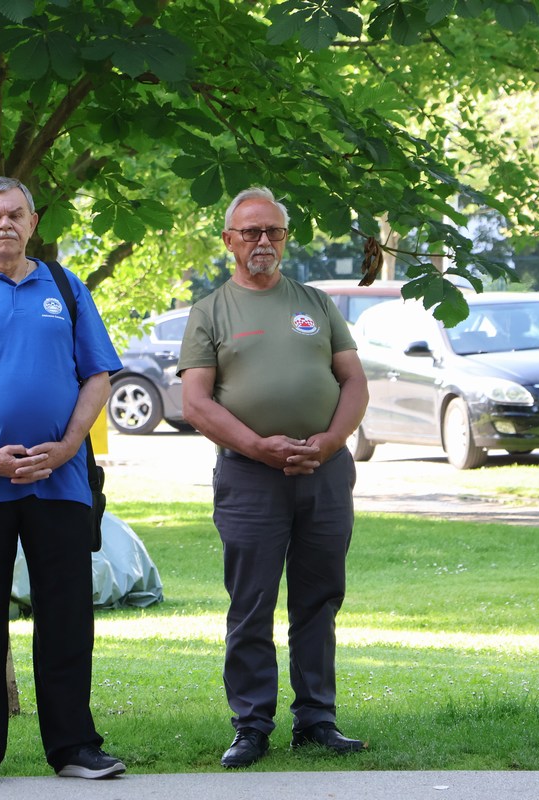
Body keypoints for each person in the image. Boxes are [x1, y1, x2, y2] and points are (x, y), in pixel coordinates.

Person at [0, 176, 126, 787]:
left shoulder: (67, 287)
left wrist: (68, 446)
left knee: (67, 617)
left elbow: (97, 377)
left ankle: (74, 746)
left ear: (33, 223)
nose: (4, 224)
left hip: (60, 483)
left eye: (15, 215)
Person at [177, 187, 370, 768]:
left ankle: (317, 720)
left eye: (274, 231)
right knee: (252, 602)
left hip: (324, 472)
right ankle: (251, 726)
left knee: (319, 600)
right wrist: (258, 447)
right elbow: (196, 403)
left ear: (285, 238)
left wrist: (329, 442)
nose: (264, 241)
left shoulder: (316, 302)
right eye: (252, 231)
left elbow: (354, 382)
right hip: (249, 477)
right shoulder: (210, 311)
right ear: (229, 240)